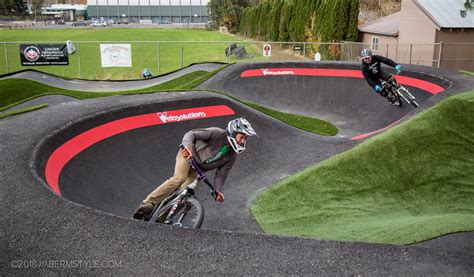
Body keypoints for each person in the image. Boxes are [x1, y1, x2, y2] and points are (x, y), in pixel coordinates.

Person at [133, 117, 258, 220]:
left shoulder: (232, 156)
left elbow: (220, 175)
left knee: (186, 192)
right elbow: (191, 134)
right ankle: (147, 204)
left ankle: (163, 218)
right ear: (233, 132)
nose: (242, 142)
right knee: (179, 178)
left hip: (197, 169)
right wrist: (188, 148)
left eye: (245, 139)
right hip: (187, 156)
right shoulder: (216, 133)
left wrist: (218, 191)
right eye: (242, 137)